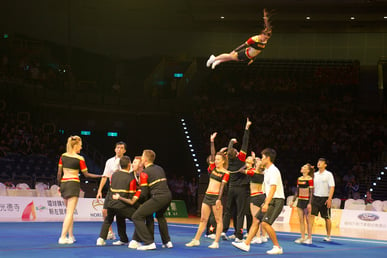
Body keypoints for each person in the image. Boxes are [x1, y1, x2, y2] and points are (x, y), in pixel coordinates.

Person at [233, 148, 285, 255]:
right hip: (269, 199)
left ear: (268, 158)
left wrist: (266, 203)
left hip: (276, 200)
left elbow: (273, 188)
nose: (261, 159)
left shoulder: (273, 171)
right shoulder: (267, 171)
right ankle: (246, 244)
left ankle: (277, 247)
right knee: (256, 220)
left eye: (262, 157)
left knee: (265, 223)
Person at [186, 132, 229, 248]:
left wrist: (219, 200)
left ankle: (216, 242)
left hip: (216, 197)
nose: (216, 160)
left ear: (223, 161)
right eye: (216, 159)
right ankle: (196, 239)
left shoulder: (226, 173)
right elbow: (212, 154)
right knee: (203, 219)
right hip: (207, 196)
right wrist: (212, 141)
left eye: (219, 159)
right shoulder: (212, 168)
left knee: (219, 220)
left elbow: (222, 187)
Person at [57, 135, 102, 244]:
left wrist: (59, 185)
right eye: (80, 146)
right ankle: (62, 237)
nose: (81, 148)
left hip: (64, 183)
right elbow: (86, 174)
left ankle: (71, 236)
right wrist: (100, 176)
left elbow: (59, 173)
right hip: (73, 184)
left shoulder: (63, 156)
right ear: (76, 145)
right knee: (69, 212)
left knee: (69, 212)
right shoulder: (80, 158)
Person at [131, 149, 173, 250]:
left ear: (145, 159)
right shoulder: (160, 168)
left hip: (158, 197)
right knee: (160, 216)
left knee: (136, 216)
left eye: (142, 156)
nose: (141, 158)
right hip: (168, 196)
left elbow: (144, 193)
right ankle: (167, 242)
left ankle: (148, 242)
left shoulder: (144, 173)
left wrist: (136, 201)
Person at [96, 155, 141, 246]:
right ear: (129, 165)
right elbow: (131, 196)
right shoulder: (131, 178)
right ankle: (135, 241)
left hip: (111, 204)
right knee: (139, 218)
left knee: (109, 219)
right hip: (123, 205)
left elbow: (111, 189)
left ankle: (101, 239)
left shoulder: (113, 176)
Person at [206, 9, 272, 69]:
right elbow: (243, 45)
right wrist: (235, 50)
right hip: (245, 54)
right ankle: (214, 58)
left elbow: (258, 51)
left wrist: (265, 18)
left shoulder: (265, 38)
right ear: (262, 34)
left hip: (249, 56)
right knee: (230, 56)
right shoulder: (253, 39)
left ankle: (218, 61)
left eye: (267, 38)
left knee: (231, 57)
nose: (265, 39)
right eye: (265, 37)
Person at [221, 118, 251, 242]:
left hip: (231, 189)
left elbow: (229, 150)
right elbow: (245, 142)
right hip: (241, 190)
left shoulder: (228, 161)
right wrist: (247, 129)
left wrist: (231, 141)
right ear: (237, 153)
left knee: (228, 211)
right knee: (240, 212)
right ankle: (238, 236)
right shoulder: (241, 158)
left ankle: (223, 231)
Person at [96, 141, 127, 240]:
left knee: (120, 214)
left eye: (122, 148)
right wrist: (99, 190)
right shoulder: (109, 161)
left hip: (122, 190)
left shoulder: (127, 161)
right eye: (118, 147)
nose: (119, 149)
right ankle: (110, 232)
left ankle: (124, 237)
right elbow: (105, 176)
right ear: (115, 149)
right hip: (111, 189)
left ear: (124, 150)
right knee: (105, 211)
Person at [238, 153, 267, 244]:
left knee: (255, 219)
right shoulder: (263, 173)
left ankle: (257, 237)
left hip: (254, 197)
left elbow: (241, 170)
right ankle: (263, 236)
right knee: (260, 218)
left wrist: (246, 164)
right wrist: (254, 160)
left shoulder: (253, 172)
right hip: (262, 196)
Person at [309, 158, 335, 242]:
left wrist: (329, 199)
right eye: (318, 162)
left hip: (325, 198)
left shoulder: (328, 174)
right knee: (311, 216)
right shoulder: (315, 174)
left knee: (327, 218)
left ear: (325, 165)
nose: (319, 163)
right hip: (315, 198)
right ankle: (309, 236)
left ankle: (328, 236)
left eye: (321, 162)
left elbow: (332, 187)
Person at [291, 164, 314, 244]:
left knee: (308, 220)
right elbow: (297, 191)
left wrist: (310, 203)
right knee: (301, 220)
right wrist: (293, 201)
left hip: (307, 201)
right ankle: (303, 237)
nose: (302, 168)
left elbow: (311, 192)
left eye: (304, 167)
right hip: (300, 201)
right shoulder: (299, 178)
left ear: (308, 170)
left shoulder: (310, 179)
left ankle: (309, 238)